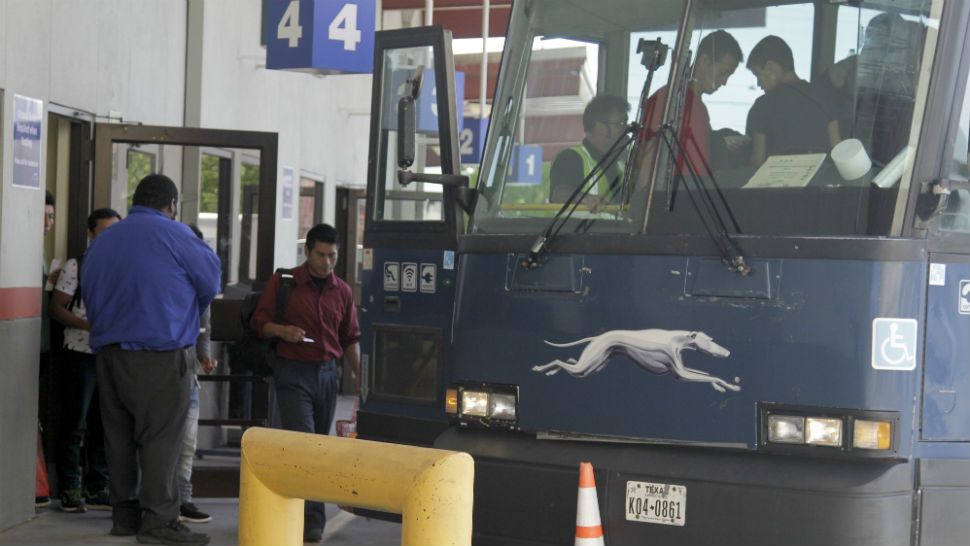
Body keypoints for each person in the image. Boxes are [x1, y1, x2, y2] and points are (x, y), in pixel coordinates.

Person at [82, 174, 219, 546]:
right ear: (172, 204)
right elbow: (210, 283)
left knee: (119, 438)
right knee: (161, 439)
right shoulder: (177, 236)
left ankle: (124, 517)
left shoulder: (103, 242)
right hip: (160, 356)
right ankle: (159, 521)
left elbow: (89, 293)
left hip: (109, 356)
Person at [250, 223, 361, 544]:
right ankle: (308, 517)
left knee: (319, 445)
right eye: (321, 255)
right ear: (307, 252)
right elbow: (260, 324)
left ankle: (309, 515)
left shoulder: (342, 291)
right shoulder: (285, 282)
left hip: (328, 374)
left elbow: (351, 337)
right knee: (305, 442)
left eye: (333, 256)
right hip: (292, 372)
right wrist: (282, 331)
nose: (327, 262)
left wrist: (360, 378)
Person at [49, 208, 122, 513]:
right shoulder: (76, 265)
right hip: (80, 353)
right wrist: (88, 325)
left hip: (112, 353)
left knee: (105, 423)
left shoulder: (125, 265)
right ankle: (70, 487)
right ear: (91, 234)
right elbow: (57, 308)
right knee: (75, 421)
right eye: (103, 231)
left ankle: (98, 485)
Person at [639, 29, 744, 174]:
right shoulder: (670, 102)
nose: (725, 82)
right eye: (723, 72)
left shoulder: (669, 99)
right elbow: (645, 161)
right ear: (704, 61)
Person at [745, 35, 840, 166]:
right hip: (817, 182)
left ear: (770, 67)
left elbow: (758, 159)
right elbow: (837, 149)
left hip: (776, 183)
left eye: (757, 74)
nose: (758, 83)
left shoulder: (763, 105)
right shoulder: (824, 97)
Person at [177, 224, 217, 525]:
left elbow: (205, 328)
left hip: (188, 373)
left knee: (188, 441)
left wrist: (205, 357)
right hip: (159, 373)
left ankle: (183, 499)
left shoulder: (200, 287)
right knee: (156, 442)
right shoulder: (164, 283)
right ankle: (152, 499)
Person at [550, 95, 630, 204]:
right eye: (621, 123)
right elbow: (559, 194)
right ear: (600, 127)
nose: (627, 129)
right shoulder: (571, 158)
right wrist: (586, 199)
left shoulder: (622, 164)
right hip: (580, 222)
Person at [36, 190, 60, 509]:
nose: (47, 223)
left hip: (42, 347)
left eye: (52, 216)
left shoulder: (41, 253)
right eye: (43, 215)